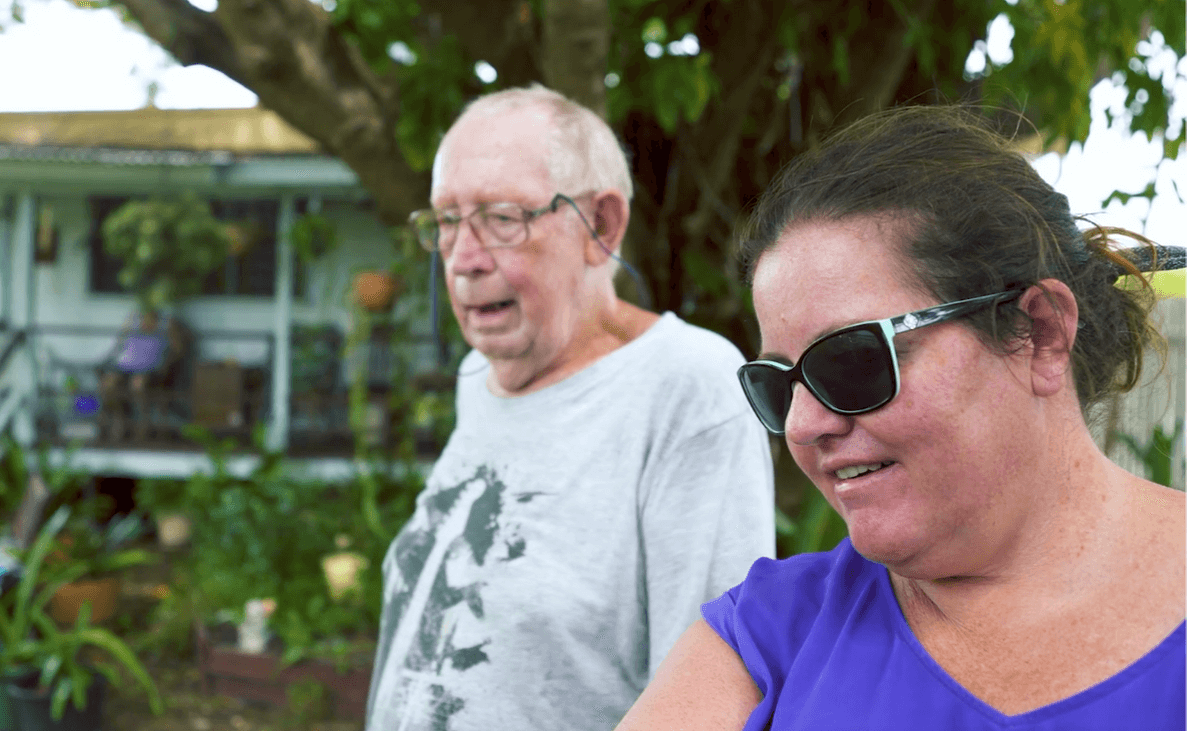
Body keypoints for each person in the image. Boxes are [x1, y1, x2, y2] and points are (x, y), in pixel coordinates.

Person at [616, 105, 1186, 730]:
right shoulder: (768, 636)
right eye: (778, 384)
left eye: (853, 360)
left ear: (1040, 333)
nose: (803, 425)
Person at [365, 85, 776, 731]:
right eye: (446, 220)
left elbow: (715, 691)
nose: (464, 260)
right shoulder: (480, 377)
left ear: (601, 225)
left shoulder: (687, 385)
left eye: (502, 217)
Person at [97, 307, 187, 441]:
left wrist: (171, 326)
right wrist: (128, 323)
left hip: (149, 370)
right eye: (144, 319)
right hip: (124, 368)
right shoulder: (134, 333)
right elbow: (119, 342)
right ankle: (118, 417)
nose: (146, 323)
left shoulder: (162, 335)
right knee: (108, 384)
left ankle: (142, 423)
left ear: (156, 322)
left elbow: (178, 349)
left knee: (137, 384)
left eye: (151, 320)